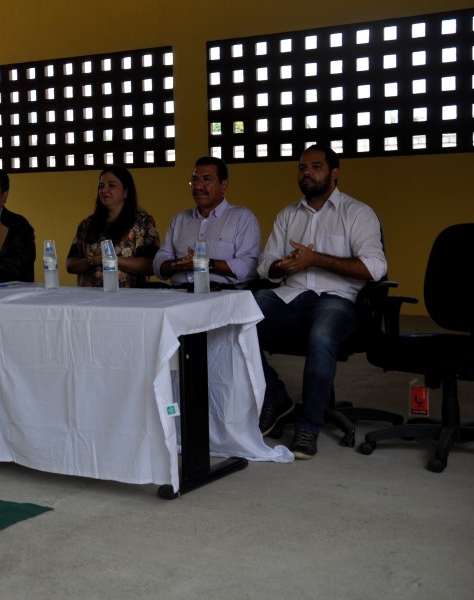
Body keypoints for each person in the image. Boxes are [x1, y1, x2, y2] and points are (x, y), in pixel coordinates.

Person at [255, 144, 386, 460]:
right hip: (291, 295)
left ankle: (308, 426)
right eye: (302, 167)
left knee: (322, 334)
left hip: (337, 299)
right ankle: (276, 396)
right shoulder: (288, 214)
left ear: (334, 173)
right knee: (241, 318)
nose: (307, 173)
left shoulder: (357, 213)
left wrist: (316, 259)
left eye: (316, 167)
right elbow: (265, 265)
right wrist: (282, 266)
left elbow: (375, 267)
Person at [153, 156, 261, 290]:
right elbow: (158, 264)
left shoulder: (242, 218)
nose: (198, 186)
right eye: (194, 180)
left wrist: (207, 263)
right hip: (178, 292)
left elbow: (250, 267)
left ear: (223, 185)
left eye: (206, 179)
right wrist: (177, 265)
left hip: (222, 294)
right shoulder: (180, 219)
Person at [65, 165, 159, 287]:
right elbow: (70, 264)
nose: (104, 190)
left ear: (126, 191)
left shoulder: (143, 223)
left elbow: (151, 265)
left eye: (111, 185)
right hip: (89, 296)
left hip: (127, 297)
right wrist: (88, 261)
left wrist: (111, 259)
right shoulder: (87, 224)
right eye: (101, 186)